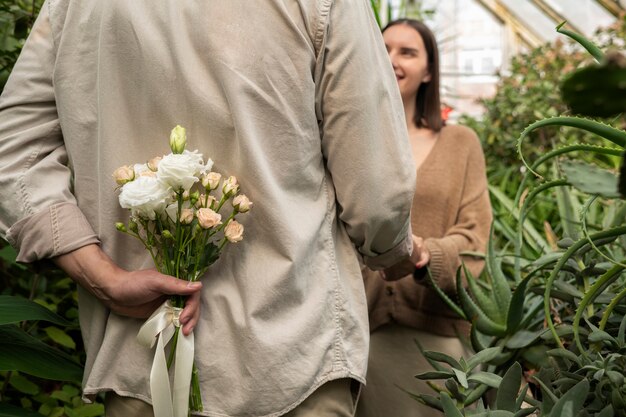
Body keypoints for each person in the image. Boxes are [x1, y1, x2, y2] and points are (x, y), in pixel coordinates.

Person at [0, 2, 421, 416]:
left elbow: (15, 153)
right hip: (290, 358)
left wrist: (101, 275)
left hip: (141, 358)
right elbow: (376, 190)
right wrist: (391, 252)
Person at [356, 19, 493, 417]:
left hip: (437, 340)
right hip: (361, 337)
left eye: (407, 52)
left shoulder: (460, 143)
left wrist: (422, 255)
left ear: (430, 70)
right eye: (383, 49)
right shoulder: (345, 142)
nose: (392, 60)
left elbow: (475, 241)